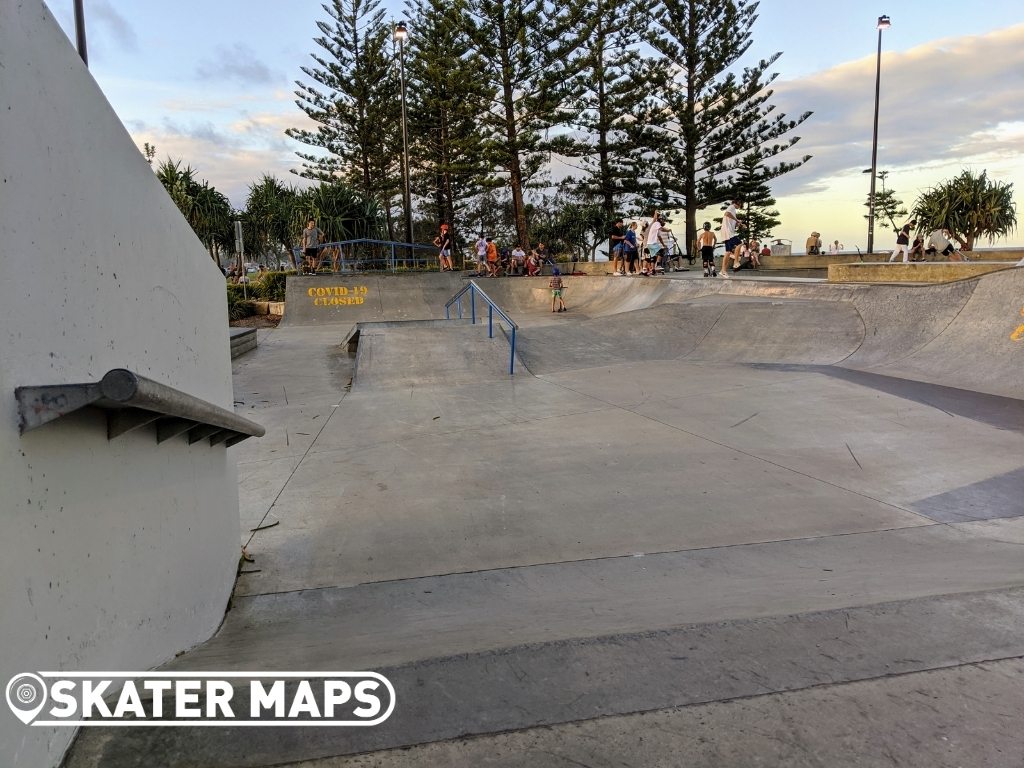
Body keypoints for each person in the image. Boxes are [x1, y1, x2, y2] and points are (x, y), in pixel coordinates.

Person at [719, 199, 743, 276]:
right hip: (728, 233)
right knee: (739, 243)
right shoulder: (731, 207)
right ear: (737, 203)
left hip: (726, 234)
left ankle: (723, 270)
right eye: (740, 205)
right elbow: (727, 213)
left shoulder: (733, 212)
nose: (740, 207)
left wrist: (739, 224)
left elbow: (731, 222)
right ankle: (736, 262)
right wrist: (736, 220)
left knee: (728, 252)